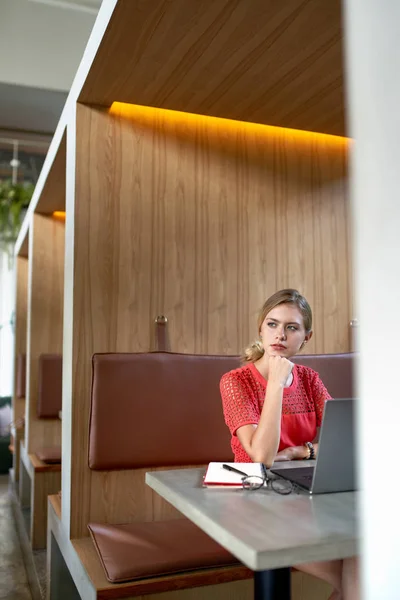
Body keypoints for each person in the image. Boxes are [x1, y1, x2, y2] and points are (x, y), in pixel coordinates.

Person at [220, 289, 359, 600]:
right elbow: (262, 457)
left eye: (291, 327)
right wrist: (276, 385)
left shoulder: (309, 379)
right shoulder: (235, 381)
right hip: (254, 502)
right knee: (363, 576)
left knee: (361, 557)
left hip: (305, 498)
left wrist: (302, 451)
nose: (279, 335)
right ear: (260, 328)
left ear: (306, 337)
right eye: (272, 324)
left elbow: (344, 441)